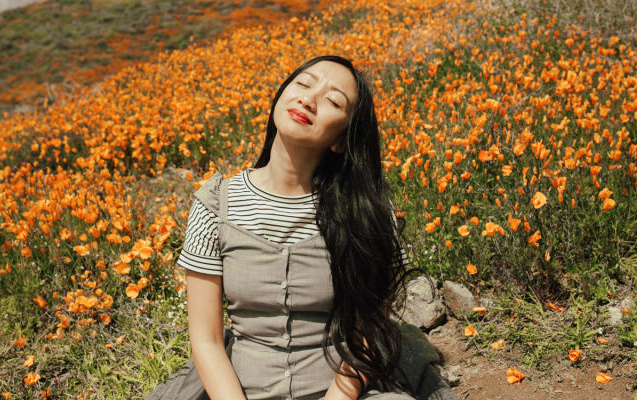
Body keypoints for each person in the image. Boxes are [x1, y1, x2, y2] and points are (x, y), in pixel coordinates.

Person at [147, 56, 456, 400]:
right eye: (304, 84)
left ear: (341, 140)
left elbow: (369, 330)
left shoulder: (366, 212)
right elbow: (206, 340)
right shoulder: (215, 204)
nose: (309, 99)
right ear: (279, 97)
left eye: (333, 101)